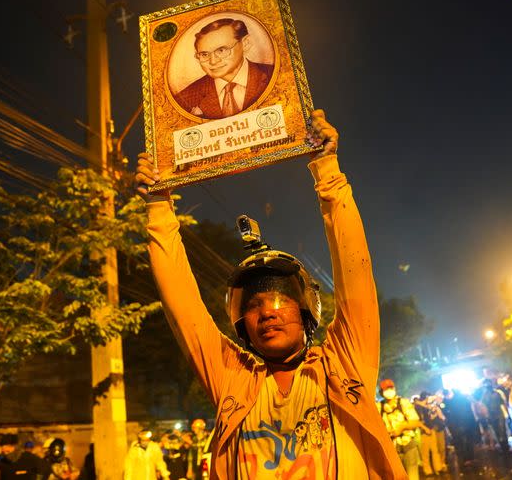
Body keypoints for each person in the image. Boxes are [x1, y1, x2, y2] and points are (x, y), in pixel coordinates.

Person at [136, 109, 408, 479]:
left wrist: (327, 169)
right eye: (253, 306)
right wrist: (158, 205)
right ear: (241, 323)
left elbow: (355, 273)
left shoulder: (343, 364)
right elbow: (182, 307)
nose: (267, 312)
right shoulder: (232, 378)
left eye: (280, 300)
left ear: (307, 311)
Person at [173, 18, 273, 119]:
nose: (213, 61)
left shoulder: (274, 75)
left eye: (221, 50)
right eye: (204, 54)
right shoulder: (186, 97)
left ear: (245, 43)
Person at [377, 379, 425, 480]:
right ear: (381, 392)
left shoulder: (403, 402)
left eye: (391, 388)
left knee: (412, 476)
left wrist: (402, 427)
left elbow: (416, 422)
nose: (389, 391)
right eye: (386, 389)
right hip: (391, 448)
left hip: (408, 444)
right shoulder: (379, 407)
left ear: (394, 389)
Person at [412, 391, 447, 476]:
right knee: (425, 453)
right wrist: (425, 428)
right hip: (424, 431)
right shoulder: (418, 407)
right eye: (428, 397)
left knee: (435, 451)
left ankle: (438, 468)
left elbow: (431, 417)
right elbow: (418, 421)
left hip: (431, 430)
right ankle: (428, 471)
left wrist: (435, 412)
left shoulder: (427, 407)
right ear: (425, 397)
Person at [443, 388, 478, 465]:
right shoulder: (464, 399)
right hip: (468, 423)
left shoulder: (450, 402)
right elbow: (470, 411)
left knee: (462, 443)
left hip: (459, 425)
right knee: (469, 441)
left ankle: (466, 459)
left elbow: (450, 414)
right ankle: (471, 457)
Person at [478, 378, 510, 451]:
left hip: (499, 413)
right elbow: (483, 407)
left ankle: (506, 446)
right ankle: (502, 446)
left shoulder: (497, 393)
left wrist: (507, 414)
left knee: (502, 429)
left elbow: (503, 403)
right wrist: (487, 416)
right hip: (491, 415)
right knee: (496, 431)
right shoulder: (484, 396)